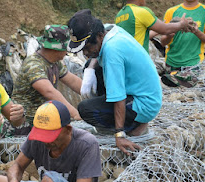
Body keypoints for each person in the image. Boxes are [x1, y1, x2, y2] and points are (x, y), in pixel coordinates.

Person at [68, 9, 162, 156]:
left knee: (86, 110)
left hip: (144, 103)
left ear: (99, 36)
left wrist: (119, 135)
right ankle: (129, 121)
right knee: (90, 65)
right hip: (140, 92)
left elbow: (118, 96)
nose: (85, 53)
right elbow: (94, 57)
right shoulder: (109, 29)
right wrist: (90, 69)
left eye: (87, 48)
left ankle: (133, 126)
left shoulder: (112, 50)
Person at [0, 100, 101, 182]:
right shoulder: (37, 138)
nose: (45, 141)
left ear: (68, 129)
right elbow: (18, 166)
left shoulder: (86, 144)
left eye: (50, 136)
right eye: (42, 135)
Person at [11, 25, 83, 133]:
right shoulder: (33, 64)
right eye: (65, 49)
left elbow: (73, 81)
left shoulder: (54, 63)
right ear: (57, 49)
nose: (67, 53)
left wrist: (96, 94)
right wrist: (75, 114)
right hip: (24, 124)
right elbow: (49, 91)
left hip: (42, 120)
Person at [160, 0, 205, 88]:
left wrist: (196, 31)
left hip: (193, 63)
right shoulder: (171, 11)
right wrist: (172, 32)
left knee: (185, 84)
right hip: (171, 61)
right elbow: (163, 41)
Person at [115, 0, 191, 53]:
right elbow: (165, 29)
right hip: (138, 58)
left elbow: (138, 35)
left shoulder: (120, 14)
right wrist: (182, 24)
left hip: (126, 56)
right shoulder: (141, 11)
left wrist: (157, 29)